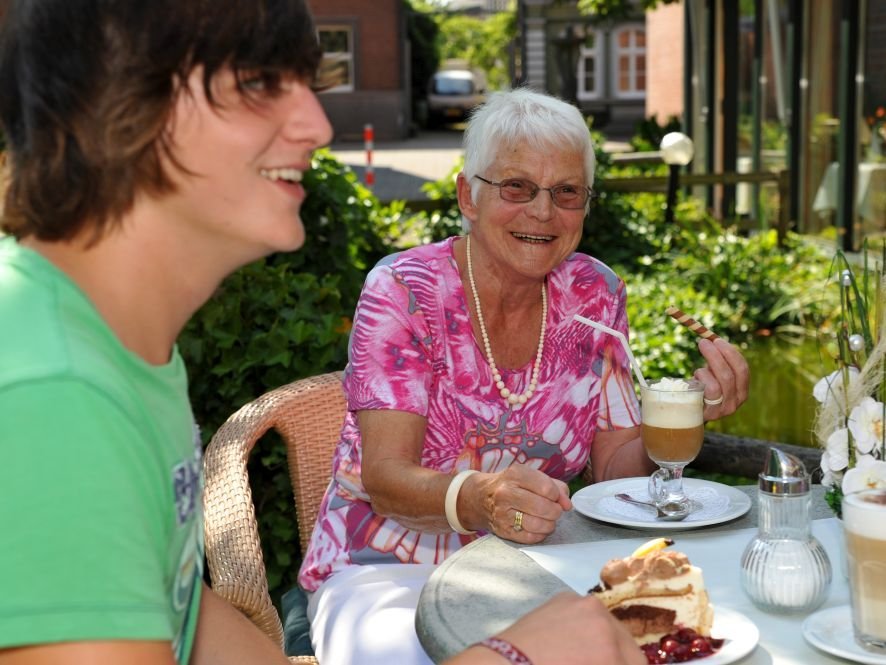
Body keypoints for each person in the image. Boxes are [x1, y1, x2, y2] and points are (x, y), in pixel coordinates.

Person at [0, 2, 646, 665]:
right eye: (260, 85)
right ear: (122, 110)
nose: (315, 123)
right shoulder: (54, 391)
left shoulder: (126, 359)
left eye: (307, 84)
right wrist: (512, 657)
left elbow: (184, 617)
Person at [298, 88, 751, 664]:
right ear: (468, 195)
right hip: (385, 570)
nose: (543, 212)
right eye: (516, 187)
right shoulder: (405, 290)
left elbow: (614, 469)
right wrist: (481, 498)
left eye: (566, 192)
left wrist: (687, 413)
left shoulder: (594, 292)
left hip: (535, 566)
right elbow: (386, 479)